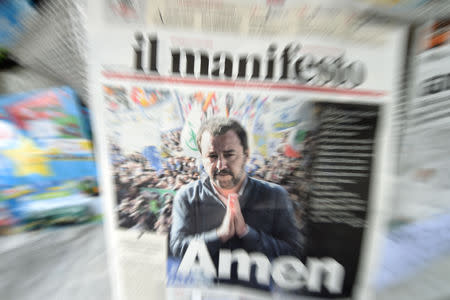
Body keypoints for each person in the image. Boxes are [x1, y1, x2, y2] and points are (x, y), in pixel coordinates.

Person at [169, 117, 303, 263]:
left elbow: (294, 251)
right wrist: (220, 235)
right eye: (212, 156)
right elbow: (177, 249)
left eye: (229, 155)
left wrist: (246, 233)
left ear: (246, 155)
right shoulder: (187, 196)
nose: (221, 165)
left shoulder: (275, 195)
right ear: (202, 158)